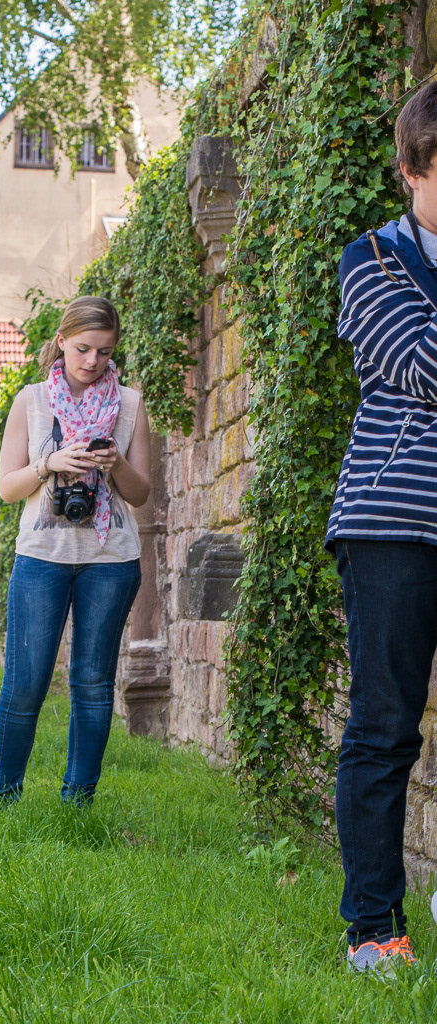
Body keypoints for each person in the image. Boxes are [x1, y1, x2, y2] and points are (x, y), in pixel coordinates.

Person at [327, 81, 437, 973]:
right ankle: (373, 929)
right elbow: (416, 362)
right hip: (391, 522)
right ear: (409, 171)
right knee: (384, 725)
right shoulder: (367, 260)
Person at [0, 296, 150, 804]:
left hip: (112, 558)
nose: (92, 362)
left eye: (104, 352)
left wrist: (115, 463)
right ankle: (2, 799)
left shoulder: (130, 404)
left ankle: (78, 801)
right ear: (61, 341)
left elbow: (141, 493)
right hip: (41, 556)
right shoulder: (31, 401)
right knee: (25, 684)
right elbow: (7, 488)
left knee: (93, 684)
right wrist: (50, 462)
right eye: (82, 349)